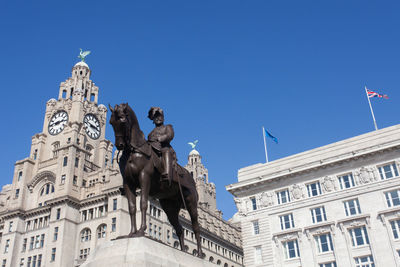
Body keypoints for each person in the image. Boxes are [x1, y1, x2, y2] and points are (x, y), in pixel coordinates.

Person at [147, 107, 175, 185]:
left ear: (163, 118)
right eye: (156, 117)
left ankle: (167, 173)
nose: (158, 118)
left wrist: (161, 138)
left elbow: (170, 135)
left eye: (159, 116)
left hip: (163, 148)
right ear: (153, 120)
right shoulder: (150, 133)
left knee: (165, 151)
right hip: (152, 149)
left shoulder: (167, 127)